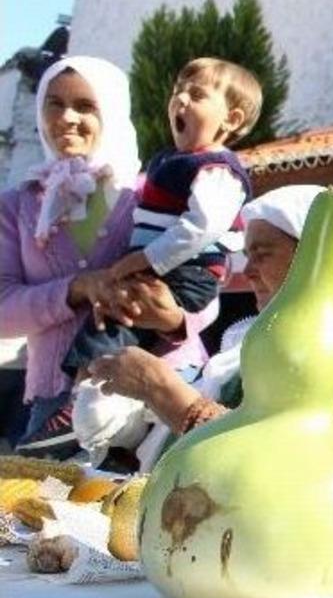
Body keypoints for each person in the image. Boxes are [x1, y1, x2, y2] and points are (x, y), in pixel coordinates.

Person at [0, 57, 208, 456]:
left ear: (111, 112)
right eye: (54, 104)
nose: (67, 118)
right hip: (56, 405)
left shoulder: (153, 191)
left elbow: (204, 283)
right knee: (46, 512)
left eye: (85, 105)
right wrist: (77, 288)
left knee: (138, 512)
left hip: (156, 393)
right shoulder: (17, 206)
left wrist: (175, 317)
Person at [60, 57, 258, 382]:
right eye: (178, 91)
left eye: (196, 95)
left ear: (231, 119)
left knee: (118, 318)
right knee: (111, 316)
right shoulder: (170, 161)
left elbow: (202, 228)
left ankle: (87, 392)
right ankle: (87, 390)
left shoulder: (218, 169)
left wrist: (145, 260)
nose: (180, 99)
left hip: (185, 274)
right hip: (163, 268)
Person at [85, 185, 326, 439]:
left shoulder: (327, 350)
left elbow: (270, 453)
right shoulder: (245, 339)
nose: (248, 271)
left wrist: (157, 386)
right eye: (247, 256)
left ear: (312, 257)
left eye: (262, 255)